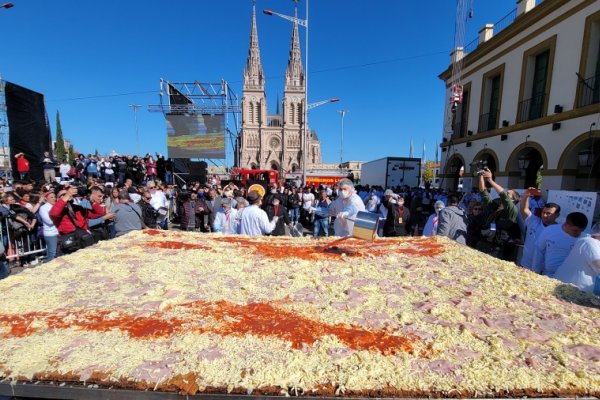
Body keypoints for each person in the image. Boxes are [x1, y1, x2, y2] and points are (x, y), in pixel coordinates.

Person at [478, 168, 520, 261]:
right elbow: (483, 192)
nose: (504, 194)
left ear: (512, 200)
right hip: (484, 242)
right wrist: (481, 175)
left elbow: (503, 195)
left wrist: (490, 180)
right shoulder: (495, 206)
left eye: (508, 194)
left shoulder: (512, 210)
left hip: (498, 248)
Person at [532, 212, 588, 277]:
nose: (578, 233)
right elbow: (539, 251)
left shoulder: (585, 238)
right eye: (575, 230)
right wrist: (535, 272)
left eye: (581, 231)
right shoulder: (550, 230)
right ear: (566, 224)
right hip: (548, 275)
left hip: (570, 278)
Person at [519, 188, 560, 270]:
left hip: (542, 271)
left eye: (548, 213)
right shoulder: (534, 221)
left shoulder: (559, 231)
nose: (544, 215)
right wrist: (526, 195)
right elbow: (524, 209)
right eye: (543, 212)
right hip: (524, 266)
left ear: (557, 215)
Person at [553, 222, 600, 294]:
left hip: (570, 287)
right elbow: (598, 265)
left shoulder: (586, 241)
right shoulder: (590, 243)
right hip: (571, 289)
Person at [38, 190, 59, 261]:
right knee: (52, 253)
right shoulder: (43, 208)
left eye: (54, 197)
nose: (54, 198)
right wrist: (60, 218)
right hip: (51, 233)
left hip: (58, 232)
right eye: (51, 197)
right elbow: (49, 221)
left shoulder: (57, 206)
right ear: (46, 198)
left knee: (59, 252)